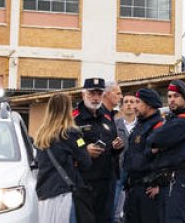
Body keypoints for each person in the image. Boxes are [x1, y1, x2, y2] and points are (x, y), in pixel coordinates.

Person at [148, 80, 185, 223]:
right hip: (168, 181)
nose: (172, 100)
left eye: (176, 96)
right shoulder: (173, 119)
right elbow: (152, 141)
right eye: (169, 96)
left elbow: (155, 138)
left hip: (181, 181)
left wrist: (159, 144)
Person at [33, 93, 91, 222]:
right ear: (67, 109)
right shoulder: (71, 134)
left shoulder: (41, 135)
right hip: (64, 194)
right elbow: (86, 162)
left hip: (45, 194)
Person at [74, 77, 124, 223]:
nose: (95, 98)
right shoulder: (75, 119)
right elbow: (68, 145)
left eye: (99, 94)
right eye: (91, 94)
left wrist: (116, 148)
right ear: (83, 94)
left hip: (107, 182)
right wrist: (84, 150)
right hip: (85, 182)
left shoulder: (107, 118)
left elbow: (111, 144)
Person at [121, 89, 163, 223]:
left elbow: (164, 158)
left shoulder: (159, 126)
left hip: (148, 190)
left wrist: (160, 184)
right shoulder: (141, 125)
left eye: (138, 102)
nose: (134, 106)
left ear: (149, 105)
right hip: (133, 187)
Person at [114, 92, 140, 221]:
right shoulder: (114, 125)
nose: (129, 104)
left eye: (132, 101)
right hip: (118, 171)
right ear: (122, 106)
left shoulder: (142, 126)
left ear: (137, 105)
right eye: (126, 102)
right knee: (115, 209)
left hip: (136, 172)